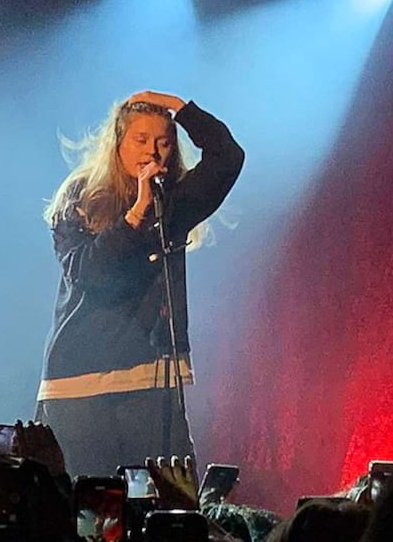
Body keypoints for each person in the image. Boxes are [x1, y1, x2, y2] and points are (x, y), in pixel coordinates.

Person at [35, 91, 244, 477]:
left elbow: (227, 157)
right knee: (90, 513)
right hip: (80, 382)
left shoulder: (174, 202)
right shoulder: (80, 197)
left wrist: (181, 108)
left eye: (163, 142)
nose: (153, 152)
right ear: (117, 144)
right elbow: (88, 274)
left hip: (152, 376)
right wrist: (134, 215)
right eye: (141, 140)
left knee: (168, 505)